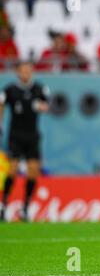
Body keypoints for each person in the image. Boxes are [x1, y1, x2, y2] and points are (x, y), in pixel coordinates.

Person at [0, 61, 50, 222]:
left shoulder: (39, 89)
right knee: (12, 169)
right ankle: (4, 205)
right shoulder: (10, 90)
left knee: (33, 171)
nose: (25, 74)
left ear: (32, 72)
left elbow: (46, 105)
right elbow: (1, 105)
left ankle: (26, 207)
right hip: (15, 135)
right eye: (22, 71)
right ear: (18, 72)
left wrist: (41, 106)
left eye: (28, 71)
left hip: (33, 136)